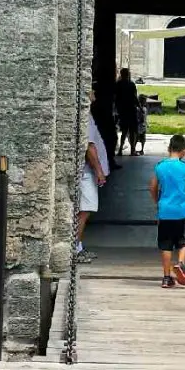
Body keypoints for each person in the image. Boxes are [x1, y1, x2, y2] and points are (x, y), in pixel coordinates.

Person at [149, 134, 185, 288]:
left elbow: (153, 187)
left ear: (169, 148)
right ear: (183, 151)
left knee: (165, 244)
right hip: (182, 211)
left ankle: (167, 277)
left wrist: (158, 202)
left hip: (165, 211)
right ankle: (180, 264)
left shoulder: (160, 166)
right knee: (184, 240)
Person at [76, 94, 109, 263]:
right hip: (86, 173)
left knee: (83, 210)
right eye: (92, 92)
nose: (95, 97)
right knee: (84, 211)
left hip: (87, 172)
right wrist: (99, 171)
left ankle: (77, 246)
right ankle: (75, 249)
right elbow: (89, 146)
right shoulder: (85, 117)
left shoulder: (87, 115)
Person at [115, 66, 139, 156]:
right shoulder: (131, 84)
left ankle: (120, 149)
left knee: (124, 131)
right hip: (131, 109)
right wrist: (140, 107)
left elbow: (115, 97)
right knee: (132, 131)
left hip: (122, 110)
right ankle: (132, 150)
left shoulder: (118, 84)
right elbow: (134, 97)